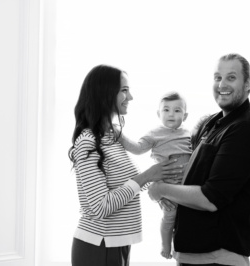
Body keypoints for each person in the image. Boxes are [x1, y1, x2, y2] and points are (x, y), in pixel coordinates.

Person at [148, 53, 250, 266]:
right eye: (217, 77)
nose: (222, 84)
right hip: (192, 255)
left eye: (231, 77)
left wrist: (161, 189)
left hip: (218, 258)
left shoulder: (246, 129)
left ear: (248, 81)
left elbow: (210, 199)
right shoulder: (214, 122)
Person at [68, 65, 181, 266]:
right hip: (97, 245)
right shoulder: (88, 141)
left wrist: (160, 185)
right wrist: (146, 177)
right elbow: (101, 207)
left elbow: (127, 185)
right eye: (124, 90)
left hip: (117, 243)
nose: (130, 98)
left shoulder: (112, 136)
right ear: (105, 93)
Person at [118, 91, 192, 259]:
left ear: (185, 115)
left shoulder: (189, 134)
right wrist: (120, 136)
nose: (171, 114)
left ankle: (181, 246)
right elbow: (137, 148)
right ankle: (165, 246)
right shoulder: (155, 134)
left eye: (177, 110)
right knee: (170, 215)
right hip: (167, 185)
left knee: (187, 220)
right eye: (166, 110)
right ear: (159, 114)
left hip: (187, 186)